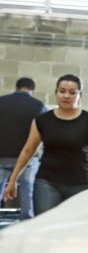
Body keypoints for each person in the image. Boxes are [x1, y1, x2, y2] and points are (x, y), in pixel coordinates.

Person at [2, 74, 88, 216]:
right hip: (46, 183)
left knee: (72, 226)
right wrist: (13, 179)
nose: (66, 96)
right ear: (56, 93)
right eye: (62, 91)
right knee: (45, 224)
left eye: (72, 92)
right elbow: (28, 151)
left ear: (80, 95)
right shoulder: (42, 120)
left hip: (80, 184)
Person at [0, 77, 47, 219]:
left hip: (2, 156)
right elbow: (45, 131)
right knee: (27, 191)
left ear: (16, 87)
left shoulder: (1, 101)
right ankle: (27, 221)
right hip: (27, 159)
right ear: (32, 90)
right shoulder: (38, 106)